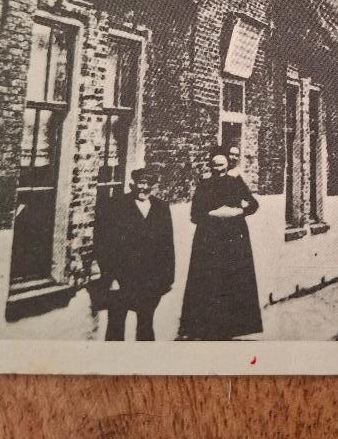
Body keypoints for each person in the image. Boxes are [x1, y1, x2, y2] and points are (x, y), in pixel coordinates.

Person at [178, 146, 262, 340]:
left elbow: (253, 204)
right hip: (209, 241)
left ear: (227, 165)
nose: (219, 169)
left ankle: (230, 328)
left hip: (233, 241)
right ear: (210, 166)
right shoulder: (204, 185)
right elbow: (194, 215)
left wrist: (238, 212)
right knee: (209, 281)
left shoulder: (236, 182)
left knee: (231, 281)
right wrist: (213, 214)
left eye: (222, 165)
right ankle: (205, 327)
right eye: (215, 165)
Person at [97, 167, 175, 342]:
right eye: (140, 185)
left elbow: (167, 246)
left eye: (148, 185)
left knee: (146, 326)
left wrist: (166, 279)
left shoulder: (161, 208)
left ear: (154, 186)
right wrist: (110, 277)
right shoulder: (116, 205)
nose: (143, 189)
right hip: (122, 278)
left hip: (150, 280)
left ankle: (144, 364)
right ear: (132, 185)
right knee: (116, 326)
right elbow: (104, 245)